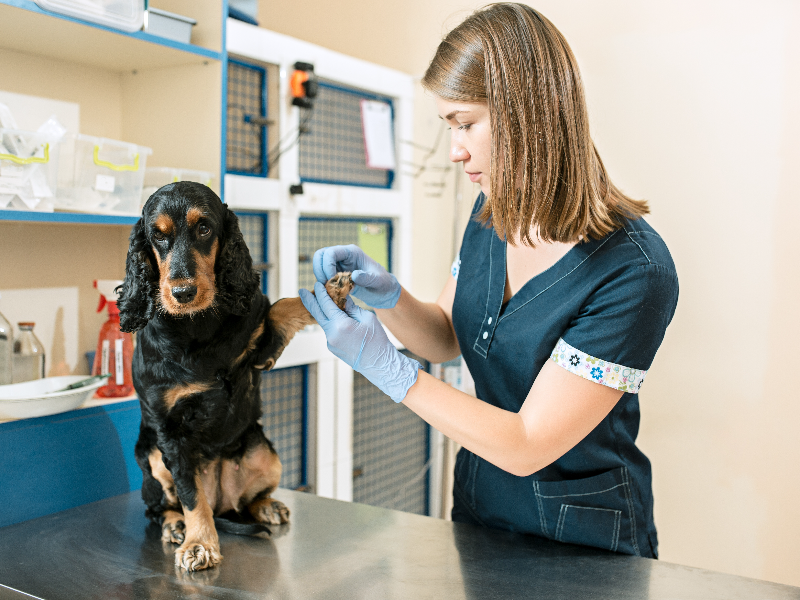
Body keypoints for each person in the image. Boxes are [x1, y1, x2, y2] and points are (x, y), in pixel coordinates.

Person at [299, 2, 678, 559]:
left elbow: (528, 445)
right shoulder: (492, 212)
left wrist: (388, 369)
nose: (456, 151)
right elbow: (448, 336)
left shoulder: (633, 272)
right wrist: (391, 299)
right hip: (480, 511)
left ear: (529, 114)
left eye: (465, 123)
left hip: (583, 540)